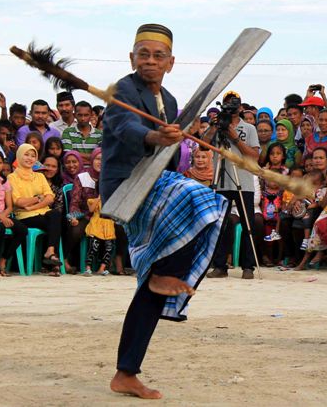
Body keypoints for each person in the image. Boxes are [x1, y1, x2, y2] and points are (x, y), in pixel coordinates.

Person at [101, 24, 227, 399]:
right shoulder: (122, 91)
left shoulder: (170, 102)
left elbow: (167, 156)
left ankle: (126, 373)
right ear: (132, 58)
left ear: (171, 63)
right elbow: (126, 128)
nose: (150, 61)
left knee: (153, 285)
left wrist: (169, 139)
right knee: (200, 198)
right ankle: (167, 271)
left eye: (158, 56)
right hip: (126, 186)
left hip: (154, 184)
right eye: (144, 54)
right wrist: (156, 136)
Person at [205, 90, 260, 280]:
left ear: (240, 107)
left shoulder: (250, 128)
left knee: (248, 224)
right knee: (221, 223)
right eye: (227, 103)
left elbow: (254, 156)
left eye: (234, 103)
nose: (231, 106)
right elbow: (204, 145)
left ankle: (248, 266)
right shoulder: (218, 125)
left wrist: (233, 136)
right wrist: (214, 127)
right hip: (221, 181)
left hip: (243, 181)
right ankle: (220, 266)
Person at [8, 144, 63, 276]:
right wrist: (39, 198)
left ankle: (50, 252)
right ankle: (51, 262)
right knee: (55, 222)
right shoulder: (12, 177)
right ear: (19, 156)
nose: (30, 158)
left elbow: (50, 198)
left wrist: (32, 204)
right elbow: (18, 201)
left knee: (55, 215)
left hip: (41, 213)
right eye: (26, 155)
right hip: (24, 216)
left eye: (33, 156)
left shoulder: (39, 176)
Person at [0, 149, 27, 276]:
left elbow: (9, 206)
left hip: (1, 214)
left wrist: (2, 216)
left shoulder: (5, 181)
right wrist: (0, 218)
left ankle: (4, 259)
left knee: (22, 230)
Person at [66, 148, 101, 274]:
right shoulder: (82, 177)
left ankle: (116, 265)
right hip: (85, 216)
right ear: (92, 160)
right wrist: (73, 217)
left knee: (120, 229)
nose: (100, 162)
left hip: (103, 217)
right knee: (76, 230)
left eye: (103, 159)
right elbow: (74, 203)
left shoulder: (109, 177)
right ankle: (65, 260)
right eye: (97, 159)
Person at [61, 100, 103, 168]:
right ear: (74, 115)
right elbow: (68, 156)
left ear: (91, 115)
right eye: (80, 115)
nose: (83, 118)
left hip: (94, 175)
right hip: (74, 173)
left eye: (86, 115)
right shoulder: (67, 132)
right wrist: (92, 157)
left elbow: (101, 158)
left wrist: (76, 155)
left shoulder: (100, 134)